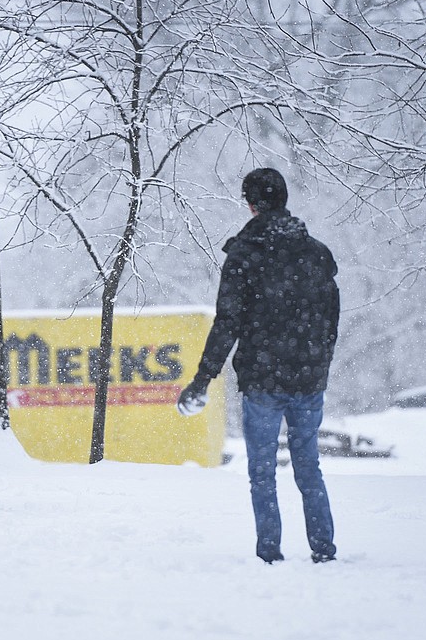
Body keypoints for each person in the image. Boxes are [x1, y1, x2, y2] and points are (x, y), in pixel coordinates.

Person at [177, 167, 340, 564]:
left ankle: (270, 552)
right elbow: (330, 315)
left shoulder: (244, 255)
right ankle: (323, 550)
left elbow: (228, 321)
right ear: (283, 200)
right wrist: (319, 361)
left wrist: (203, 378)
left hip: (262, 380)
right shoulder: (317, 253)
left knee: (262, 472)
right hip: (308, 379)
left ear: (251, 205)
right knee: (308, 467)